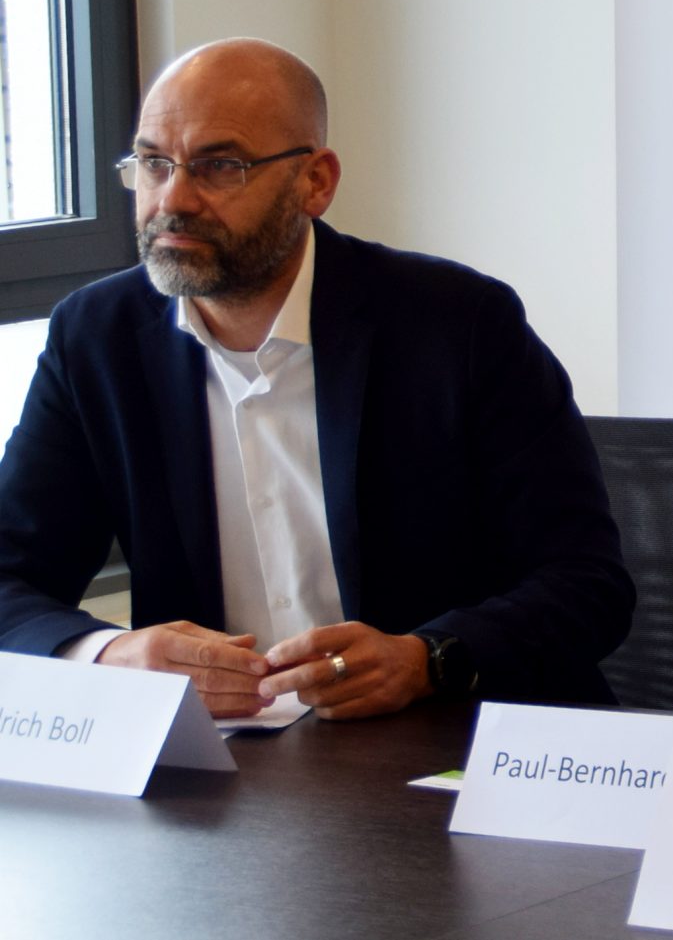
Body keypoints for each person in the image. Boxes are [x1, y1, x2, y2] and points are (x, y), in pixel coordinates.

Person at [0, 39, 632, 717]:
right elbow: (10, 576)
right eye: (154, 163)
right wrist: (110, 655)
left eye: (220, 165)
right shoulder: (96, 337)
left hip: (445, 738)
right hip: (223, 756)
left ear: (316, 182)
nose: (173, 198)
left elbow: (587, 582)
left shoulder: (460, 325)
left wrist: (426, 660)